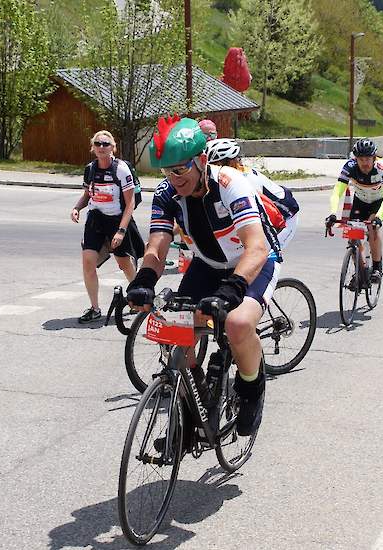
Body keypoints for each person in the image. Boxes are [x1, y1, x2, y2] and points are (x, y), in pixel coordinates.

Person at [126, 116, 277, 437]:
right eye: (166, 171)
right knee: (173, 329)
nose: (173, 178)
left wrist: (232, 289)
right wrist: (142, 281)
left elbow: (257, 246)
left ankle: (252, 388)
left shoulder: (230, 184)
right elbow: (157, 246)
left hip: (253, 263)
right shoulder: (168, 194)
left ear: (202, 161)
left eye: (180, 169)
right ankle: (196, 395)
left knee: (237, 324)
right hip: (208, 264)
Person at [70, 130, 143, 324]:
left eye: (106, 144)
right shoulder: (90, 169)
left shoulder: (121, 169)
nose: (101, 147)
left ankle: (139, 295)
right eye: (98, 143)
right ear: (92, 147)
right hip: (95, 218)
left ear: (113, 147)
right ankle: (94, 308)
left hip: (117, 220)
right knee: (88, 261)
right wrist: (77, 207)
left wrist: (121, 231)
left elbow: (130, 204)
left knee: (124, 263)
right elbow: (88, 194)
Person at [204, 137, 300, 250]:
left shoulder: (245, 180)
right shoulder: (230, 175)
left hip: (286, 218)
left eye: (216, 165)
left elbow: (259, 218)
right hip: (270, 213)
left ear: (230, 162)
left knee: (262, 255)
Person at [325, 138, 383, 283]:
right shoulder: (350, 167)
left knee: (372, 228)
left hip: (378, 203)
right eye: (361, 159)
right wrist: (332, 213)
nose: (365, 163)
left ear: (374, 158)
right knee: (352, 236)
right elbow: (337, 191)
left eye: (368, 159)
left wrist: (379, 217)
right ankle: (359, 272)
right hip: (360, 202)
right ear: (355, 159)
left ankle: (376, 268)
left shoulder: (382, 167)